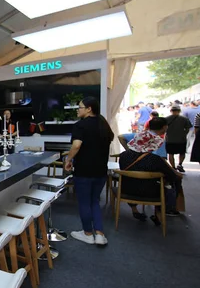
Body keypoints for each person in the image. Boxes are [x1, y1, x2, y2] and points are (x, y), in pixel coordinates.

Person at [65, 97, 114, 246]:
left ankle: (87, 233)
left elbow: (77, 145)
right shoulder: (103, 124)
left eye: (80, 107)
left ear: (89, 109)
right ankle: (99, 234)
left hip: (84, 170)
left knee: (84, 202)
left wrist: (68, 159)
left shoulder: (80, 126)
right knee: (94, 201)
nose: (77, 110)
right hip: (100, 171)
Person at [120, 118, 183, 223]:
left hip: (125, 190)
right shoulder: (155, 160)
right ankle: (160, 213)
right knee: (171, 183)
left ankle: (134, 209)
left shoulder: (123, 156)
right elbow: (172, 176)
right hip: (150, 193)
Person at [165, 105, 192, 172]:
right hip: (181, 139)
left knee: (171, 153)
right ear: (179, 111)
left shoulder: (166, 119)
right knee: (182, 153)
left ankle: (173, 167)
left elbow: (163, 129)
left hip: (170, 139)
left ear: (171, 111)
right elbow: (188, 128)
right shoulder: (184, 119)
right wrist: (184, 133)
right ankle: (180, 164)